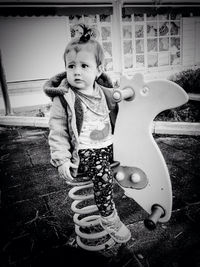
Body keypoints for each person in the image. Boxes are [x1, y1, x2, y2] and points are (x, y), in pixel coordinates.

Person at [43, 24, 131, 244]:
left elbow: (125, 107)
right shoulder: (64, 98)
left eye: (84, 65)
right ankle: (109, 218)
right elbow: (58, 130)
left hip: (108, 148)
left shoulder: (106, 93)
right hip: (84, 154)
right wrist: (61, 159)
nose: (77, 71)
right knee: (103, 173)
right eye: (71, 66)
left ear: (98, 69)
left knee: (128, 160)